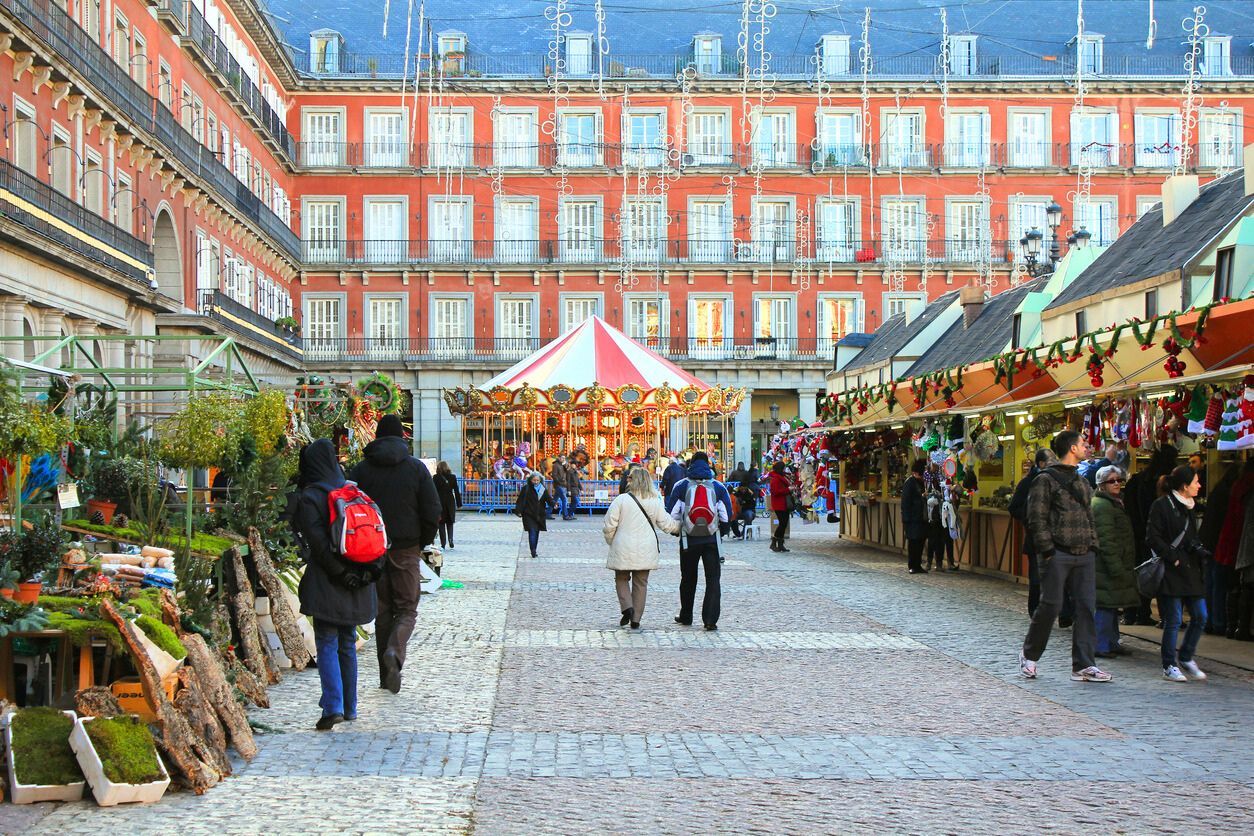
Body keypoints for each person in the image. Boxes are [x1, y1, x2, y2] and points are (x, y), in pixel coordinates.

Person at [291, 440, 381, 729]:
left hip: (329, 580)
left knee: (327, 642)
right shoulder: (354, 491)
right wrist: (365, 574)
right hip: (358, 580)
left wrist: (339, 572)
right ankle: (350, 706)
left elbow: (317, 544)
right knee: (347, 643)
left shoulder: (311, 496)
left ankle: (333, 707)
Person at [347, 414, 440, 694]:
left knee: (384, 611)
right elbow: (432, 509)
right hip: (405, 546)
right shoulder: (415, 469)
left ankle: (384, 676)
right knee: (407, 608)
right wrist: (422, 541)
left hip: (371, 549)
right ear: (402, 436)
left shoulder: (361, 470)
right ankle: (395, 654)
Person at [1018, 430, 1111, 683]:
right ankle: (1029, 655)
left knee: (1085, 607)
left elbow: (1088, 516)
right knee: (1051, 605)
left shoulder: (1081, 481)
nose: (1086, 447)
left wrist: (1093, 545)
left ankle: (1084, 664)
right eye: (1083, 443)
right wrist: (1047, 549)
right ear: (1072, 448)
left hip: (1084, 553)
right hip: (1057, 552)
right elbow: (1036, 516)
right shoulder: (1045, 479)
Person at [1148, 465, 1211, 682]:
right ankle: (1169, 665)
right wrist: (1171, 556)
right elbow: (1152, 536)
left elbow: (1191, 536)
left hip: (1191, 569)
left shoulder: (1190, 506)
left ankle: (1185, 656)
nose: (1199, 485)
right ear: (1185, 486)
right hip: (1172, 570)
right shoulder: (1162, 505)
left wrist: (1198, 549)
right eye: (1196, 482)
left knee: (1201, 615)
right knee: (1174, 619)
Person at [603, 466, 681, 629]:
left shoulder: (621, 500)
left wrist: (612, 541)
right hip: (646, 548)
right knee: (641, 583)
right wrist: (681, 527)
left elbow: (609, 525)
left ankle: (627, 607)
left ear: (634, 480)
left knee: (621, 579)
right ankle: (636, 618)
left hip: (623, 545)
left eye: (629, 477)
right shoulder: (655, 501)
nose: (627, 480)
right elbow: (666, 524)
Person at [665, 451, 732, 631]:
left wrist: (678, 531)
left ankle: (686, 615)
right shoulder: (718, 487)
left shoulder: (681, 486)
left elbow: (672, 513)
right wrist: (721, 532)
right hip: (712, 540)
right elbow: (727, 514)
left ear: (690, 465)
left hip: (689, 540)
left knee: (688, 578)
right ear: (708, 465)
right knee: (713, 579)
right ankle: (710, 620)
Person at [1124, 445, 1178, 625]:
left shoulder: (1138, 480)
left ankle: (1136, 613)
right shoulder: (1164, 482)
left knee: (1142, 573)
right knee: (1161, 574)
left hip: (1137, 533)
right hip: (1156, 534)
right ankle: (1165, 616)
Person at [1090, 465, 1138, 659]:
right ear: (1102, 485)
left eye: (1119, 480)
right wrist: (1116, 565)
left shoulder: (1113, 503)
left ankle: (1110, 642)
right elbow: (1106, 539)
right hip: (1106, 564)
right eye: (1112, 481)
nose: (1117, 483)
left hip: (1114, 562)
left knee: (1112, 604)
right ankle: (1100, 644)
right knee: (1105, 604)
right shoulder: (1102, 506)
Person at [515, 471, 552, 558]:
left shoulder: (543, 489)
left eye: (537, 480)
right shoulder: (526, 488)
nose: (535, 482)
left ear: (540, 480)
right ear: (530, 480)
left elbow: (548, 499)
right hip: (528, 514)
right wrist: (519, 511)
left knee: (537, 532)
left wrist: (554, 504)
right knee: (532, 531)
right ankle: (533, 550)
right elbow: (520, 500)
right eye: (534, 480)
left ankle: (534, 548)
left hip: (539, 514)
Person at [901, 459, 928, 574]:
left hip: (920, 517)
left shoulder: (921, 483)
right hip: (912, 518)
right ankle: (912, 565)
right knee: (913, 542)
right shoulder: (910, 483)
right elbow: (906, 502)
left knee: (920, 541)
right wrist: (906, 519)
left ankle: (918, 564)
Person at [432, 460, 462, 550]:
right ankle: (451, 539)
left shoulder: (435, 478)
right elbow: (456, 490)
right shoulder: (452, 477)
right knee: (450, 522)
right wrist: (459, 503)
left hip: (439, 502)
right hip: (450, 502)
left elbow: (433, 492)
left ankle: (443, 544)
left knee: (441, 523)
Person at [767, 461, 795, 553]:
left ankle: (780, 544)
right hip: (779, 504)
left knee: (784, 523)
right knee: (782, 524)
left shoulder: (781, 477)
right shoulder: (776, 479)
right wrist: (788, 489)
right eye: (783, 468)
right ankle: (774, 542)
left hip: (783, 503)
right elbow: (775, 492)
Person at [551, 456, 569, 520]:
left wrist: (565, 465)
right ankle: (565, 515)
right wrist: (558, 482)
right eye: (562, 458)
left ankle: (547, 513)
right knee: (564, 499)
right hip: (559, 484)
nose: (563, 459)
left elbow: (567, 471)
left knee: (554, 500)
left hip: (563, 484)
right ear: (559, 458)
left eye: (564, 458)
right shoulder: (556, 465)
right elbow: (554, 475)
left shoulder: (562, 465)